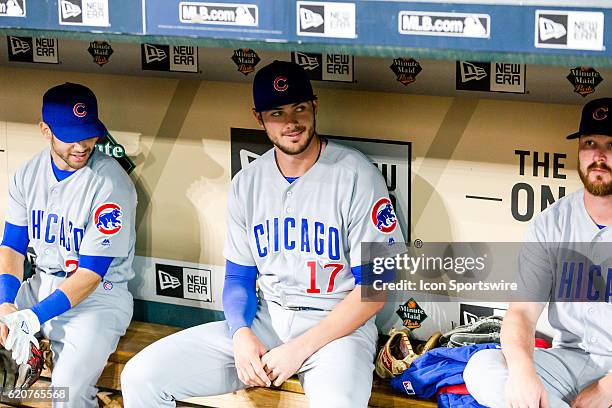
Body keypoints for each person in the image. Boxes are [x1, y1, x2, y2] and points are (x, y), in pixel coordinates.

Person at [121, 60, 404, 407]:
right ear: (259, 118)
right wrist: (240, 333)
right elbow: (239, 279)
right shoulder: (248, 183)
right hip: (268, 321)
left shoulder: (357, 175)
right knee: (142, 376)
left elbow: (374, 291)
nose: (291, 123)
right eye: (277, 113)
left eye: (299, 108)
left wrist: (298, 349)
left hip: (337, 332)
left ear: (314, 107)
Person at [464, 98, 612, 408]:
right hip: (569, 361)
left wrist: (608, 388)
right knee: (483, 369)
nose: (599, 155)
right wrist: (522, 372)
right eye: (590, 142)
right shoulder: (553, 222)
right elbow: (521, 313)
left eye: (611, 144)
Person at [0, 83, 137, 407]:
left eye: (88, 134)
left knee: (68, 390)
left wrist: (33, 317)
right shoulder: (27, 174)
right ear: (45, 130)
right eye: (71, 135)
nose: (82, 145)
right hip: (40, 286)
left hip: (98, 298)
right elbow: (12, 248)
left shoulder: (110, 183)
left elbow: (90, 274)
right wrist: (7, 306)